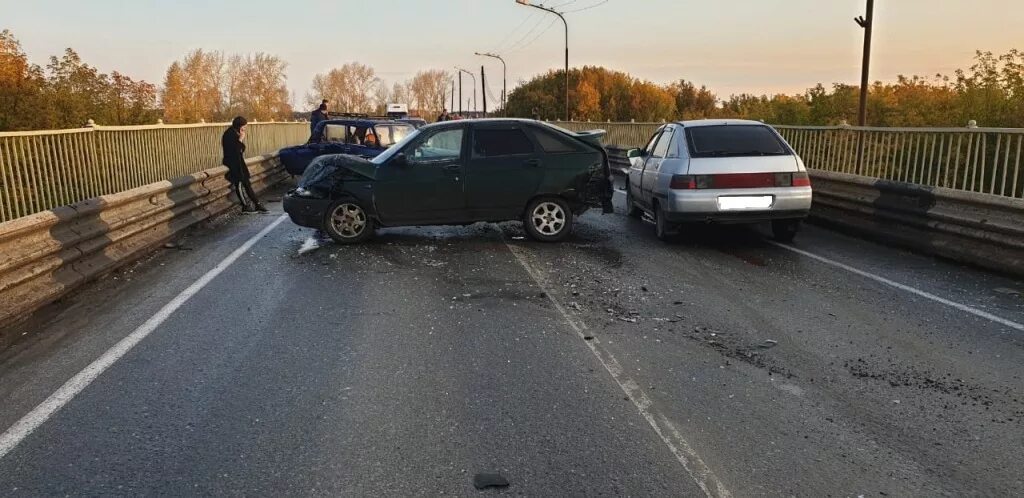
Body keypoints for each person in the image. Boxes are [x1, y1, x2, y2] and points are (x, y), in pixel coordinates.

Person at [222, 116, 268, 213]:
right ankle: (245, 206)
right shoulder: (229, 135)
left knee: (247, 184)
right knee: (239, 185)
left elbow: (242, 149)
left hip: (239, 163)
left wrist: (240, 141)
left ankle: (257, 204)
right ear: (239, 126)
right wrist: (240, 139)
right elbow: (237, 150)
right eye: (244, 126)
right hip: (233, 164)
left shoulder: (235, 133)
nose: (245, 129)